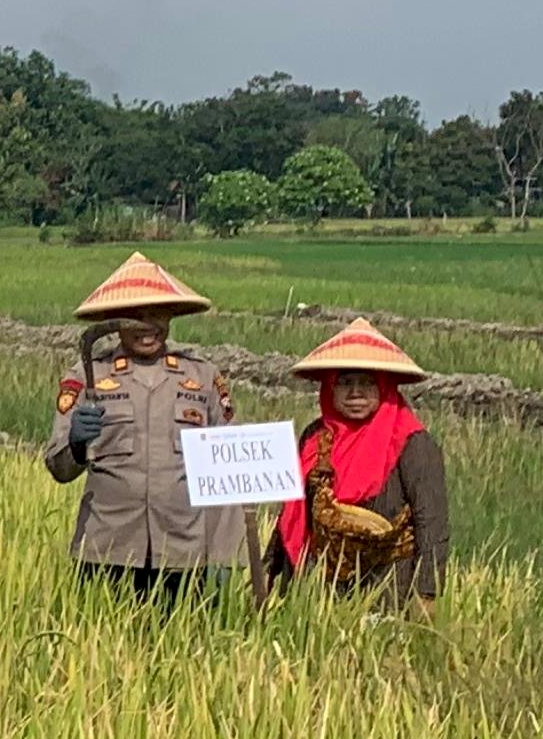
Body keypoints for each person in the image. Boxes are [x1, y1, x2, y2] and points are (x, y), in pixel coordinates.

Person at [45, 253, 244, 599]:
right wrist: (77, 443)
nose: (146, 325)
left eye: (156, 313)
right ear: (114, 320)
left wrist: (227, 555)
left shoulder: (202, 376)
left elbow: (229, 475)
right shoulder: (89, 375)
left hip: (184, 552)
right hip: (107, 549)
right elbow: (59, 468)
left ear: (171, 316)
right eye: (135, 315)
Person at [257, 320, 450, 616]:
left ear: (384, 386)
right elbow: (293, 511)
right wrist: (270, 572)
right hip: (319, 585)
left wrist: (427, 592)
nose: (355, 393)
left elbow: (432, 522)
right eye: (345, 383)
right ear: (330, 388)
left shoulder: (412, 443)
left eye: (367, 383)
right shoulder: (315, 437)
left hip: (386, 586)